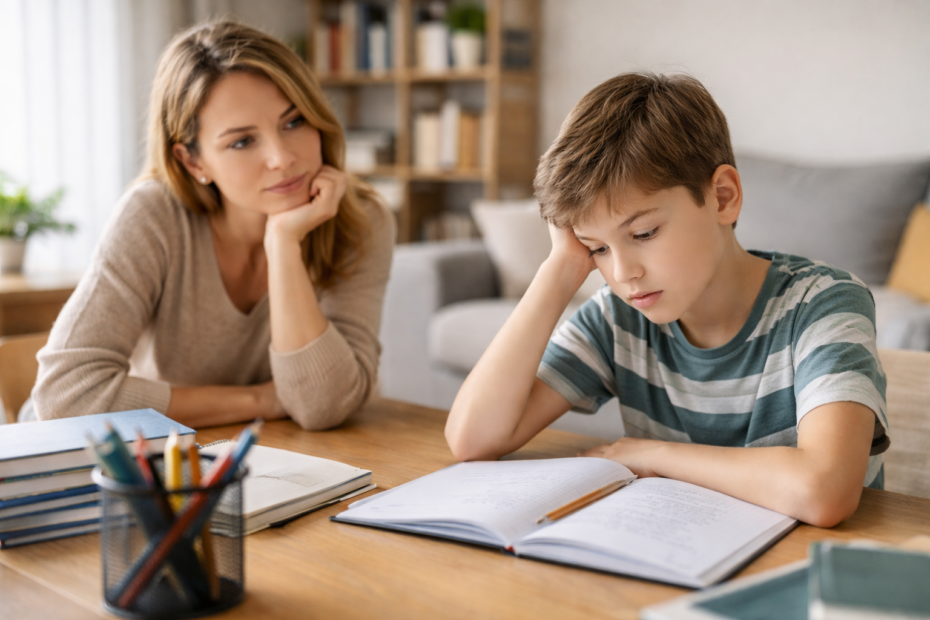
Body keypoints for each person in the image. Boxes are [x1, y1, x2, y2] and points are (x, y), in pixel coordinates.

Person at [445, 72, 889, 528]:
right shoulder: (618, 319)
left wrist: (652, 454)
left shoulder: (825, 304)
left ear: (722, 197)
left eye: (643, 233)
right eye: (597, 247)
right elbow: (472, 439)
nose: (623, 273)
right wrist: (559, 270)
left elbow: (824, 492)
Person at [30, 22, 394, 429]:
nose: (281, 158)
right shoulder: (153, 215)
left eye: (294, 122)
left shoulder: (361, 220)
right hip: (146, 460)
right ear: (193, 161)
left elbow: (322, 407)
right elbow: (66, 396)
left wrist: (283, 243)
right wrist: (260, 399)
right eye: (242, 142)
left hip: (272, 458)